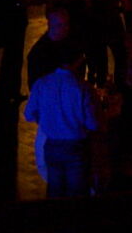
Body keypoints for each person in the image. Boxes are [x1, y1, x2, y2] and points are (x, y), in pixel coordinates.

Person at [23, 43, 101, 198]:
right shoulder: (83, 87)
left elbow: (29, 114)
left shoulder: (42, 83)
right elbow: (92, 124)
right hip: (76, 146)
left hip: (51, 145)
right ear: (78, 60)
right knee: (77, 193)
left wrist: (48, 119)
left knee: (55, 191)